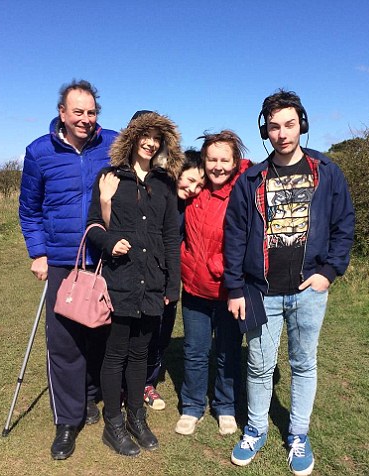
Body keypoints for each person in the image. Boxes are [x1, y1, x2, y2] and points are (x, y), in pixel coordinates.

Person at [225, 90, 355, 475]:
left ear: (302, 125)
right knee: (259, 365)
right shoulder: (251, 179)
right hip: (261, 291)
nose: (282, 134)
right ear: (265, 130)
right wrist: (235, 287)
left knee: (303, 364)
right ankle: (255, 429)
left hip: (308, 291)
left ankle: (298, 433)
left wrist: (329, 272)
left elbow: (343, 225)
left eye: (289, 125)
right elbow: (234, 235)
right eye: (274, 126)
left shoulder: (326, 172)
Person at [18, 80, 117, 460]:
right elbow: (29, 209)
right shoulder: (39, 152)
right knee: (63, 341)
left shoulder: (112, 144)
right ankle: (67, 420)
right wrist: (38, 253)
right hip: (61, 258)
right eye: (78, 112)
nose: (85, 119)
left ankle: (90, 395)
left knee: (101, 333)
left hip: (104, 256)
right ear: (62, 112)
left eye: (91, 112)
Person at [87, 111, 182, 457]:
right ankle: (113, 424)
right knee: (116, 354)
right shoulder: (110, 177)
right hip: (120, 279)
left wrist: (172, 285)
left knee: (141, 353)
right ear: (132, 136)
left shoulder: (165, 183)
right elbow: (93, 225)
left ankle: (136, 418)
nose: (151, 143)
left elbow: (171, 236)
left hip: (153, 281)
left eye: (157, 138)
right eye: (145, 135)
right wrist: (110, 242)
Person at [175, 130, 251, 437]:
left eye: (224, 160)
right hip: (195, 288)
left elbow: (249, 238)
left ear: (235, 162)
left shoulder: (244, 191)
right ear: (203, 161)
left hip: (229, 290)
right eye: (212, 159)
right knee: (195, 350)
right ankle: (192, 406)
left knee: (228, 351)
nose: (217, 166)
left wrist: (221, 264)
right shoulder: (195, 188)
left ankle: (225, 406)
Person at [143, 148, 205, 410]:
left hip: (170, 277)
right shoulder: (155, 192)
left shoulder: (189, 205)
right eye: (189, 180)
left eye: (199, 185)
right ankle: (125, 383)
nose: (193, 189)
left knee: (162, 332)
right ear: (176, 172)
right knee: (140, 332)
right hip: (145, 274)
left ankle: (148, 382)